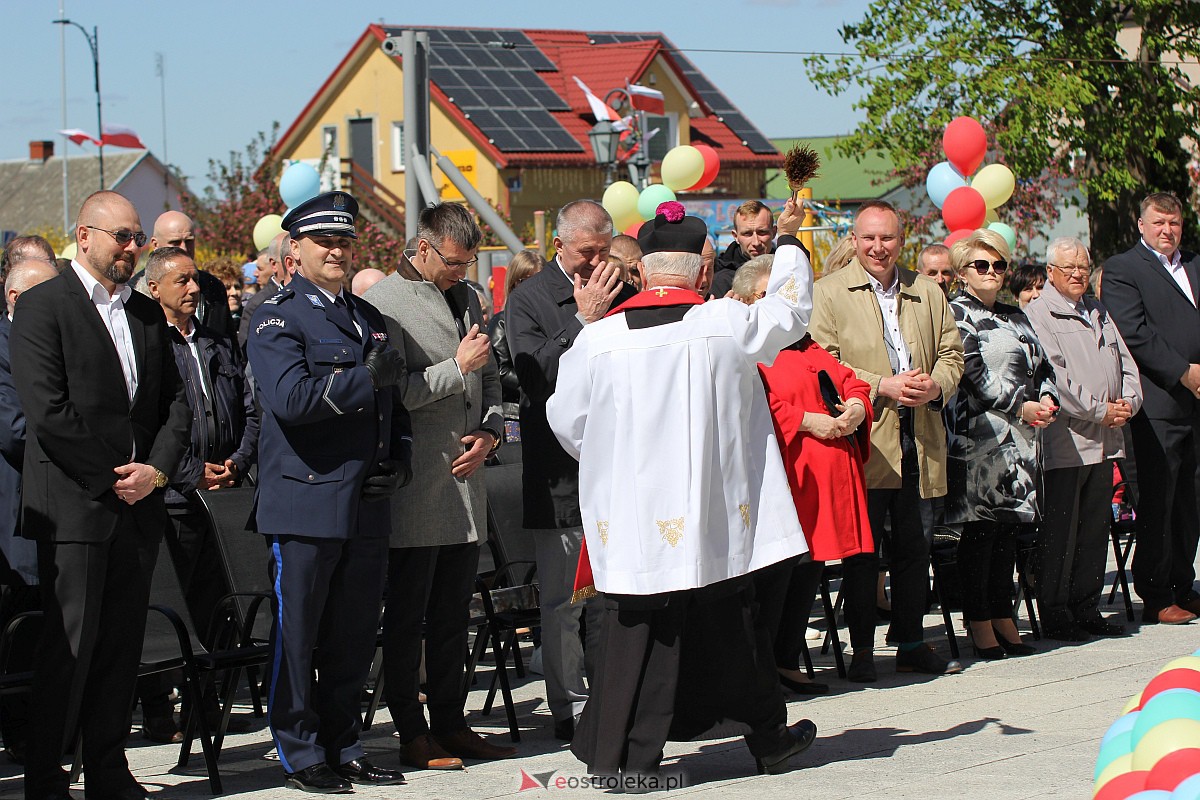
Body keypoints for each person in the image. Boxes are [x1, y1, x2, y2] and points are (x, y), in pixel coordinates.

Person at [547, 199, 817, 782]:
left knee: (638, 631)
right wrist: (790, 242)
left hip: (635, 519)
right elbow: (791, 310)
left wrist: (615, 467)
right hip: (711, 514)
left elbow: (567, 421)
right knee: (734, 623)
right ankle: (767, 739)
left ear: (641, 271)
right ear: (703, 271)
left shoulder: (598, 338)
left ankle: (626, 758)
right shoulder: (726, 324)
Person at [11, 190, 192, 800]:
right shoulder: (43, 306)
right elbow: (48, 412)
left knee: (120, 646)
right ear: (83, 236)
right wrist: (115, 477)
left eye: (137, 236)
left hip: (138, 506)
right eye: (121, 236)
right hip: (75, 507)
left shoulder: (144, 313)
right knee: (70, 649)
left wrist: (154, 472)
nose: (131, 247)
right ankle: (46, 777)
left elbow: (174, 405)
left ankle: (109, 769)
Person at [247, 190, 412, 792]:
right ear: (295, 250)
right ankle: (299, 750)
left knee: (353, 634)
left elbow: (394, 407)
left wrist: (401, 461)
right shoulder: (276, 316)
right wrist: (362, 376)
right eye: (324, 242)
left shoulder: (367, 317)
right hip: (307, 500)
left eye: (345, 241)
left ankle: (344, 743)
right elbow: (291, 400)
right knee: (299, 635)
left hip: (365, 500)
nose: (337, 251)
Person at [362, 202, 514, 770]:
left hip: (466, 484)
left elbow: (491, 376)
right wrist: (457, 366)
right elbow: (393, 391)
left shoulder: (468, 296)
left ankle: (453, 722)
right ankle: (411, 731)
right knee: (409, 620)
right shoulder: (385, 304)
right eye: (454, 262)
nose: (461, 272)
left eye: (468, 262)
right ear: (422, 247)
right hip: (419, 487)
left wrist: (491, 434)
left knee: (454, 618)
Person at [808, 200, 965, 681]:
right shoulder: (829, 292)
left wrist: (936, 385)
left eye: (888, 238)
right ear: (854, 241)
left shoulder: (927, 291)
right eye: (870, 238)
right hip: (866, 441)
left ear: (902, 240)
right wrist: (883, 385)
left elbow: (952, 353)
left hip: (920, 436)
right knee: (862, 552)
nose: (879, 247)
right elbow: (823, 362)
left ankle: (912, 642)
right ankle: (861, 649)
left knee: (915, 548)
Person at [505, 199, 637, 741]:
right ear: (558, 245)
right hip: (559, 475)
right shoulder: (529, 299)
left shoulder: (621, 291)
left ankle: (614, 698)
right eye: (586, 252)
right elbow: (534, 378)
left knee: (613, 596)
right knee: (564, 601)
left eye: (604, 251)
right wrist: (582, 321)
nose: (597, 263)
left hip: (618, 470)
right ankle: (568, 706)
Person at [735, 255, 874, 695]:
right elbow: (755, 402)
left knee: (810, 568)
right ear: (748, 300)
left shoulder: (804, 343)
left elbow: (849, 380)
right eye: (769, 295)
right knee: (780, 573)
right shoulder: (748, 346)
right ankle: (764, 666)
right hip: (784, 475)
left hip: (823, 477)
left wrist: (857, 407)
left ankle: (786, 658)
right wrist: (806, 421)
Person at [140, 246, 260, 740]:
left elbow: (250, 408)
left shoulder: (218, 342)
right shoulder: (148, 343)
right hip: (176, 501)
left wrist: (238, 462)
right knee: (171, 605)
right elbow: (149, 424)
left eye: (195, 280)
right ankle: (158, 708)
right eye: (182, 281)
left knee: (216, 604)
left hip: (223, 497)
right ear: (154, 289)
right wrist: (191, 474)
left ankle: (204, 706)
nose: (193, 289)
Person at [943, 230, 1056, 656]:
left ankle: (1003, 613)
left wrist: (1048, 398)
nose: (992, 272)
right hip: (979, 440)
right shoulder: (956, 313)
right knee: (982, 533)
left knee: (1008, 531)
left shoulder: (1016, 315)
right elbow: (972, 374)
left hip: (1021, 439)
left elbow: (1043, 366)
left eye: (999, 265)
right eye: (982, 265)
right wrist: (1022, 405)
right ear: (962, 272)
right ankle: (979, 619)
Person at [1026, 237, 1142, 640]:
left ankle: (1086, 607)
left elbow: (1125, 362)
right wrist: (1098, 410)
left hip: (1107, 439)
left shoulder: (1098, 309)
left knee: (1094, 529)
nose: (1078, 274)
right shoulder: (1039, 313)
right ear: (1050, 272)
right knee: (1062, 531)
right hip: (1067, 442)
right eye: (1069, 268)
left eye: (1083, 267)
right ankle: (1056, 611)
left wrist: (1128, 403)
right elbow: (1055, 376)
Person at [1103, 192, 1200, 625]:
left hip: (1196, 405)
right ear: (1141, 225)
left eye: (1174, 222)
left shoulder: (1194, 263)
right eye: (1159, 222)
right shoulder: (1124, 268)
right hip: (1159, 402)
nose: (1167, 230)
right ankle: (1156, 593)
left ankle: (1182, 583)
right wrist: (1183, 372)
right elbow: (1134, 331)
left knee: (1191, 500)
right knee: (1160, 498)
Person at [0, 258, 58, 762]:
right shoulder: (3, 346)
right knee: (20, 623)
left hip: (57, 503)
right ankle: (20, 731)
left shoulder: (51, 338)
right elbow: (15, 431)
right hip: (18, 508)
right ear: (15, 297)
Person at [148, 211, 234, 340]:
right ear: (155, 244)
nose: (184, 248)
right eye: (175, 242)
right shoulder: (134, 292)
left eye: (188, 241)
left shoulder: (213, 287)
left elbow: (229, 342)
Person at [488, 249, 543, 431]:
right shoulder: (501, 322)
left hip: (547, 408)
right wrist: (538, 381)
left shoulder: (549, 319)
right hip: (514, 414)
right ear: (513, 283)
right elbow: (500, 370)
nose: (533, 287)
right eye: (526, 280)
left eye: (539, 280)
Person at [710, 200, 777, 298]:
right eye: (747, 234)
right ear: (735, 236)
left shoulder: (785, 269)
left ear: (774, 232)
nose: (756, 242)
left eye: (762, 232)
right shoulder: (721, 280)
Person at [239, 232, 291, 352]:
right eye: (289, 260)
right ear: (274, 265)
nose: (255, 274)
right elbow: (244, 347)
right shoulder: (258, 303)